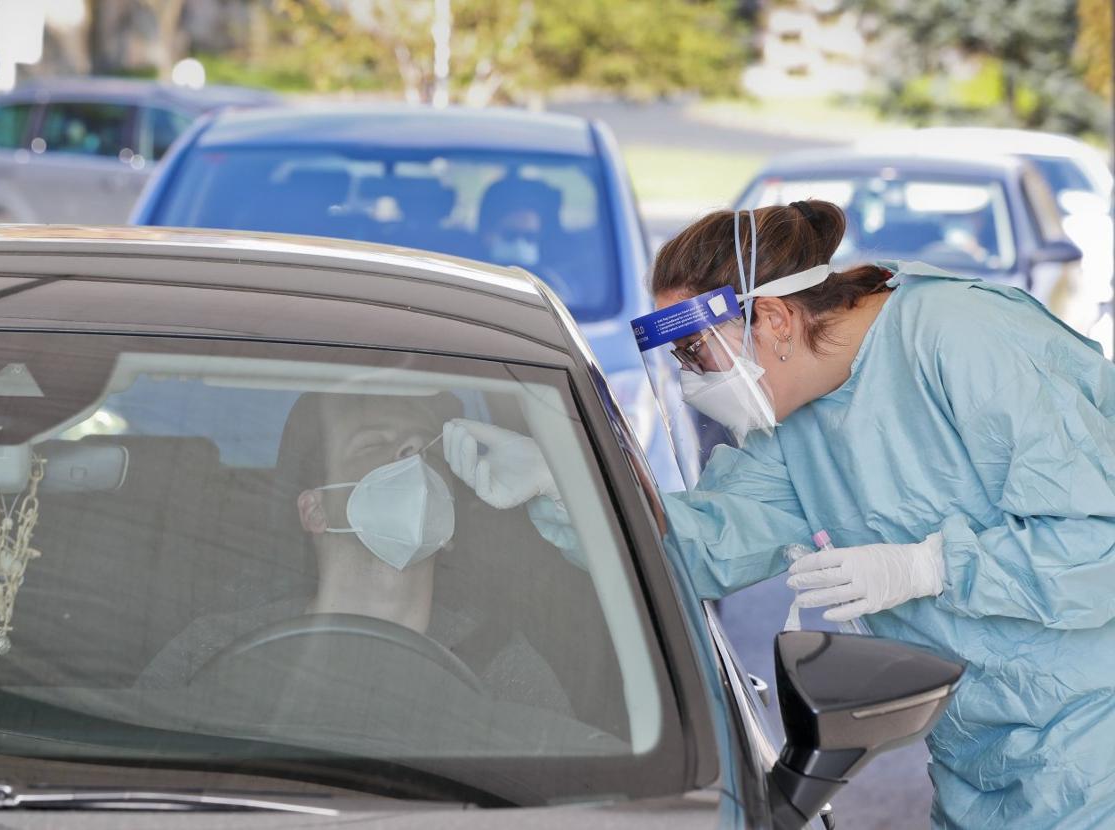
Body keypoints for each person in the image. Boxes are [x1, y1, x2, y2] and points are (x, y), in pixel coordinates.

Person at [444, 200, 1115, 828]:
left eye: (695, 351)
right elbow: (703, 547)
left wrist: (930, 566)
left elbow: (1099, 539)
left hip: (1096, 746)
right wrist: (561, 484)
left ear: (773, 320)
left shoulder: (966, 338)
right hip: (981, 762)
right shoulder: (791, 426)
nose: (690, 378)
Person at [138, 390, 572, 715]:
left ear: (450, 520)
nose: (407, 453)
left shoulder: (502, 668)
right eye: (369, 444)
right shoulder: (213, 648)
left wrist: (562, 487)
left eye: (422, 444)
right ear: (314, 510)